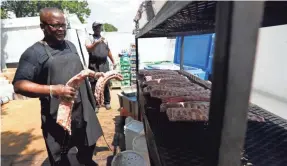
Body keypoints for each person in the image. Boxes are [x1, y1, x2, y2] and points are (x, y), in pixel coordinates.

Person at [12, 8, 103, 166]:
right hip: (58, 117)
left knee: (87, 152)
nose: (61, 29)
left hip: (83, 112)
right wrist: (54, 90)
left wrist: (93, 74)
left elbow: (77, 72)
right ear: (43, 26)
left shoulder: (70, 46)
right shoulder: (33, 53)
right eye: (56, 26)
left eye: (63, 25)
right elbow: (19, 85)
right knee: (63, 160)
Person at [85, 22, 115, 110]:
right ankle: (96, 104)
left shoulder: (105, 39)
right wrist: (97, 42)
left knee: (105, 83)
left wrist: (113, 60)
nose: (98, 29)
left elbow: (108, 50)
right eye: (97, 27)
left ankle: (107, 102)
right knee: (94, 84)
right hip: (94, 64)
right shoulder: (89, 38)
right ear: (93, 28)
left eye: (100, 27)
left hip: (104, 64)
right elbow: (89, 48)